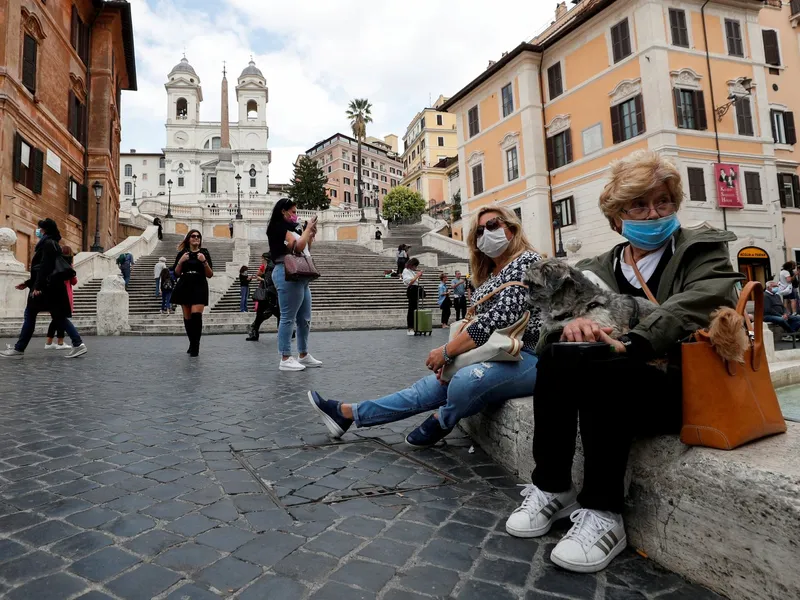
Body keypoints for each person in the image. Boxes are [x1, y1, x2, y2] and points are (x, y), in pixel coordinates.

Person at [504, 151, 742, 574]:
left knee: (605, 367)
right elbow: (549, 326)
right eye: (639, 205)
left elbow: (697, 303)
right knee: (558, 358)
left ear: (674, 205)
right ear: (617, 217)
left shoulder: (702, 251)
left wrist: (630, 340)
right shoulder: (595, 267)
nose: (653, 213)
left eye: (663, 202)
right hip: (616, 381)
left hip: (681, 384)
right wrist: (573, 328)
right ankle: (552, 487)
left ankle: (603, 513)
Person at [307, 205, 542, 447]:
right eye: (479, 231)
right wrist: (452, 356)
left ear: (511, 229)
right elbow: (480, 325)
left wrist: (447, 352)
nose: (485, 233)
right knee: (424, 389)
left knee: (464, 381)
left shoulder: (528, 261)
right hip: (494, 354)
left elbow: (498, 319)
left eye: (492, 225)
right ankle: (347, 413)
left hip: (528, 356)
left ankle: (443, 419)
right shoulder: (489, 274)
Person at [1, 219, 87, 359]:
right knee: (58, 317)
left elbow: (45, 267)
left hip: (45, 289)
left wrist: (37, 286)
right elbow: (43, 269)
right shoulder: (52, 243)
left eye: (39, 228)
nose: (37, 231)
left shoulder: (47, 244)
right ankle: (78, 344)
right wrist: (29, 283)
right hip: (50, 288)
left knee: (30, 314)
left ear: (44, 230)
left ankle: (19, 349)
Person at [267, 198, 322, 371]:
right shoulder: (277, 228)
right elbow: (296, 248)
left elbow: (305, 249)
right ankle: (285, 357)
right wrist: (306, 230)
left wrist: (310, 234)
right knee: (288, 317)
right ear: (283, 211)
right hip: (286, 272)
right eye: (292, 211)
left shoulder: (294, 228)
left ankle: (303, 354)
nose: (295, 215)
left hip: (300, 273)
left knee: (304, 318)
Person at [171, 229, 213, 357]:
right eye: (193, 236)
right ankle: (192, 342)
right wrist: (181, 261)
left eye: (198, 236)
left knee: (196, 316)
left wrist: (204, 262)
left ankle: (196, 346)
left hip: (200, 284)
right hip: (185, 284)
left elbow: (210, 274)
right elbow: (176, 273)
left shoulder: (204, 253)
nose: (196, 238)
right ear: (189, 239)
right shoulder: (183, 253)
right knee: (188, 318)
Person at [45, 246, 78, 350]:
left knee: (56, 319)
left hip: (52, 294)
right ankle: (60, 342)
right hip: (64, 295)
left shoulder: (53, 263)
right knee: (61, 318)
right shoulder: (68, 265)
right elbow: (74, 281)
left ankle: (49, 342)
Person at [246, 252, 281, 341]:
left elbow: (269, 281)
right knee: (279, 314)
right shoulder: (272, 265)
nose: (261, 260)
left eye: (262, 259)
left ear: (266, 259)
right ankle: (286, 333)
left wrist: (261, 278)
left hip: (269, 294)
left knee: (263, 314)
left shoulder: (270, 267)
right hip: (272, 294)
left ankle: (254, 332)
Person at [403, 258, 423, 335]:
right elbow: (410, 282)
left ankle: (415, 326)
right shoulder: (406, 271)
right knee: (411, 309)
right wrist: (417, 275)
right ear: (412, 265)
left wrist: (418, 275)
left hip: (415, 289)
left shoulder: (411, 271)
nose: (416, 268)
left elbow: (415, 280)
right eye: (415, 266)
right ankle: (410, 327)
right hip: (411, 289)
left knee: (415, 309)